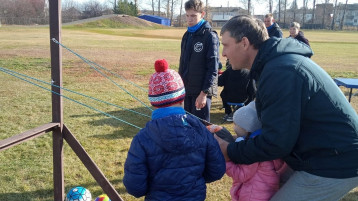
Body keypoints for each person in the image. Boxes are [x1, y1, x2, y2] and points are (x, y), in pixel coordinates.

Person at [215, 15, 358, 201]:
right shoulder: (272, 66)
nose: (223, 53)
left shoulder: (281, 72)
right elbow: (276, 129)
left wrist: (231, 151)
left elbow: (276, 142)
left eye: (225, 45)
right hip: (316, 154)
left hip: (334, 161)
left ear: (244, 43)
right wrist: (238, 142)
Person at [123, 59, 226, 201]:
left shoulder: (142, 139)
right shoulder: (201, 131)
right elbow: (216, 171)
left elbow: (134, 186)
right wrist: (194, 180)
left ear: (154, 102)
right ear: (181, 97)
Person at [227, 101, 287, 201]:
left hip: (252, 194)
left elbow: (241, 174)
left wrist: (226, 160)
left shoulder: (252, 153)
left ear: (247, 129)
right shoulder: (264, 145)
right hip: (264, 191)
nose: (234, 128)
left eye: (237, 125)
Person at [179, 0, 220, 123]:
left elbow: (213, 68)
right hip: (187, 90)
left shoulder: (209, 36)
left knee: (201, 127)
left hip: (201, 92)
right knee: (187, 125)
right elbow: (183, 64)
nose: (189, 19)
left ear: (202, 14)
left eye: (193, 16)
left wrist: (204, 94)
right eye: (187, 15)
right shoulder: (187, 35)